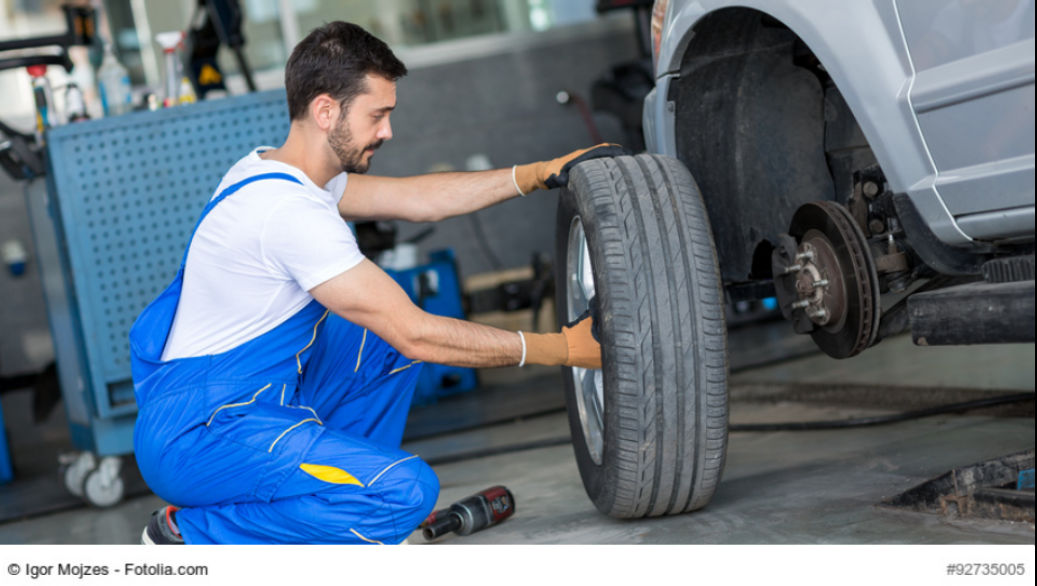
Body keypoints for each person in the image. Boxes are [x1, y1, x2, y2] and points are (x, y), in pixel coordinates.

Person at [132, 21, 622, 545]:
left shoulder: (277, 172)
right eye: (378, 115)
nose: (387, 130)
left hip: (249, 404)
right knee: (403, 492)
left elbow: (419, 199)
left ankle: (337, 515)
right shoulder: (288, 212)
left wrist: (536, 173)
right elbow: (420, 334)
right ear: (326, 111)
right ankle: (185, 535)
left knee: (376, 341)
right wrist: (561, 348)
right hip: (204, 432)